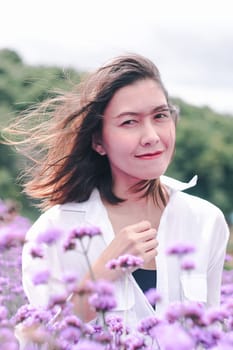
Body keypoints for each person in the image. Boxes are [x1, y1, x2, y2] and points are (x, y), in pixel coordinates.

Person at [6, 54, 229, 327]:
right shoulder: (56, 231)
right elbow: (37, 341)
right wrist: (103, 273)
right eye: (129, 122)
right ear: (99, 141)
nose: (151, 137)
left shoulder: (206, 221)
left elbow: (214, 334)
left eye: (160, 116)